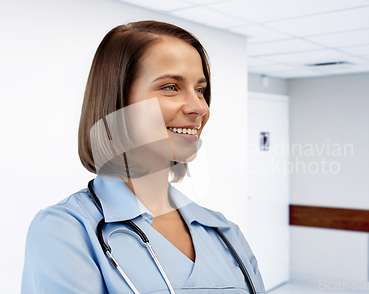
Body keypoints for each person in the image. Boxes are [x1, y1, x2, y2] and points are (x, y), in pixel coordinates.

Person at [21, 20, 265, 293]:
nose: (199, 107)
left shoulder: (224, 232)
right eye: (171, 87)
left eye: (199, 89)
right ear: (118, 100)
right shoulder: (65, 230)